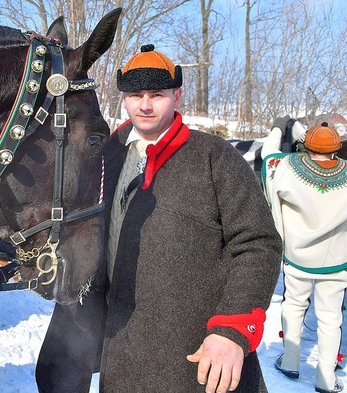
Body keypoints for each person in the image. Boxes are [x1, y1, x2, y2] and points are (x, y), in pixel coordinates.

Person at [95, 44, 281, 392]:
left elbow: (258, 243)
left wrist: (231, 330)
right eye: (135, 94)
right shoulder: (109, 152)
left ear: (176, 95)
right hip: (122, 351)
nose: (145, 105)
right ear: (124, 98)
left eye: (157, 94)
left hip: (197, 353)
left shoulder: (214, 157)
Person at [267, 122, 347, 393]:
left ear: (306, 146)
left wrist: (281, 128)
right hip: (336, 261)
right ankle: (325, 376)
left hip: (297, 257)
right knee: (330, 317)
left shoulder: (287, 168)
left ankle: (290, 361)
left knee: (293, 306)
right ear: (337, 149)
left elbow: (268, 154)